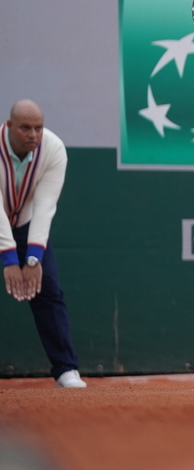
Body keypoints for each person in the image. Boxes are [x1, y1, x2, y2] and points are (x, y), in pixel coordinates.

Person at [1, 100, 87, 388]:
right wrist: (9, 259)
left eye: (38, 127)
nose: (33, 135)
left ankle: (65, 369)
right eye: (25, 128)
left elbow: (45, 204)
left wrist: (33, 258)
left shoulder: (53, 149)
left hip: (27, 224)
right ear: (9, 126)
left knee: (48, 290)